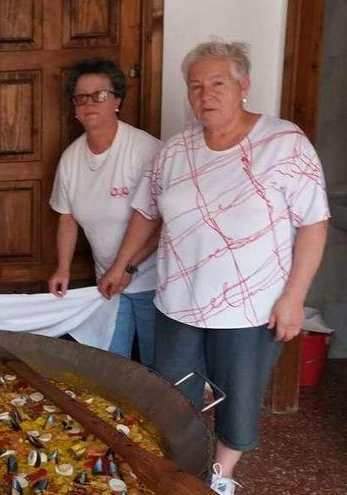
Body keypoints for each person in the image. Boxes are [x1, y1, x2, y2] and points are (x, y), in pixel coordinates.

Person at [98, 41, 329, 494]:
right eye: (196, 86)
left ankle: (220, 475)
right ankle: (181, 468)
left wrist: (295, 298)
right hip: (178, 302)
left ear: (244, 85)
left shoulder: (284, 143)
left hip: (251, 308)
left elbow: (314, 224)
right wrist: (121, 265)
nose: (206, 94)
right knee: (173, 395)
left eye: (217, 83)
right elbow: (147, 212)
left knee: (238, 396)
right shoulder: (175, 150)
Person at [47, 58, 161, 366]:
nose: (89, 103)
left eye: (99, 95)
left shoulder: (145, 150)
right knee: (113, 364)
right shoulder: (71, 159)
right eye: (81, 97)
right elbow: (67, 218)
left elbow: (161, 220)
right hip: (108, 284)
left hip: (153, 279)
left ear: (117, 100)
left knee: (159, 368)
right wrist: (63, 268)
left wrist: (127, 267)